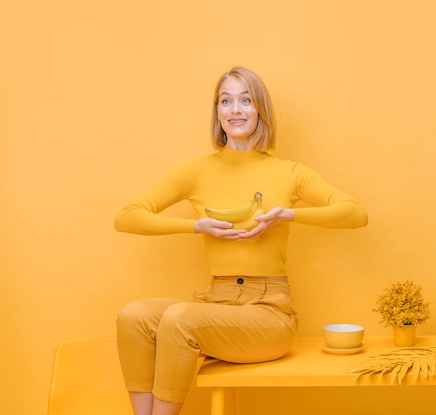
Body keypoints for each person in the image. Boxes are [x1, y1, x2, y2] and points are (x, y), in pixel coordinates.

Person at [114, 66, 368, 415]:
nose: (236, 110)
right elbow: (127, 216)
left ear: (260, 109)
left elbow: (355, 213)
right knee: (133, 316)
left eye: (246, 100)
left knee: (179, 318)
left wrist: (289, 214)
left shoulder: (289, 172)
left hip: (269, 313)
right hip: (218, 305)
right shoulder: (196, 170)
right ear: (217, 111)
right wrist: (196, 227)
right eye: (226, 101)